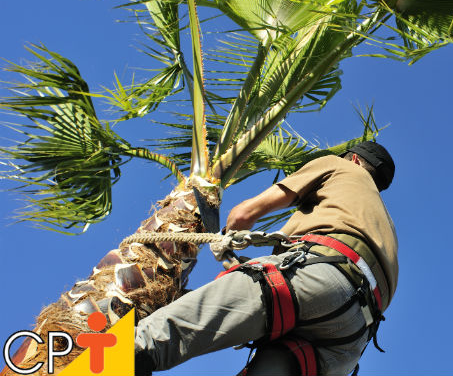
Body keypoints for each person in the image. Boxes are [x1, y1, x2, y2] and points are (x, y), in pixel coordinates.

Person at [134, 141, 398, 376]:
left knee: (151, 341)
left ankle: (98, 362)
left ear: (353, 159)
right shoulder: (387, 225)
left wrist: (228, 236)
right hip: (350, 340)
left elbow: (244, 215)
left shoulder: (342, 168)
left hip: (317, 279)